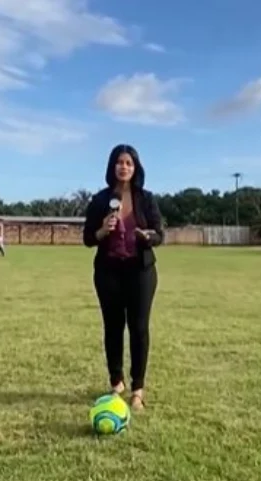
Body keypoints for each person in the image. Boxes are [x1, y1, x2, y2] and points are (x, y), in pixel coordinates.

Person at [82, 143, 163, 411]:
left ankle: (137, 389)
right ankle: (116, 382)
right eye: (119, 162)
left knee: (139, 328)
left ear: (135, 167)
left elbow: (159, 235)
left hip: (140, 272)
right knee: (113, 327)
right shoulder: (100, 200)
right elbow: (87, 238)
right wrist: (103, 230)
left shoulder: (147, 199)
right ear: (112, 166)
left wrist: (147, 236)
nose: (124, 167)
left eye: (129, 163)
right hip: (108, 273)